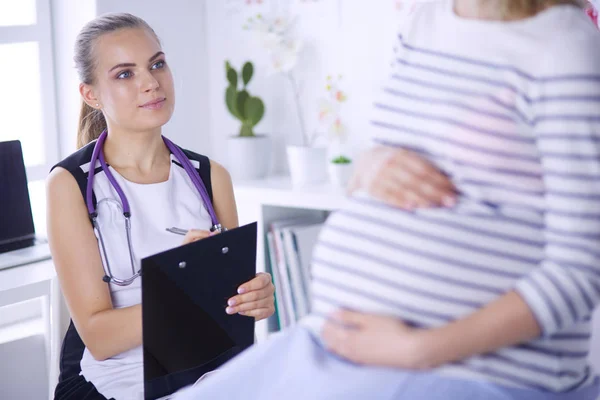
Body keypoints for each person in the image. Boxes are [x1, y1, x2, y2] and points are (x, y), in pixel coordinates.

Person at [174, 0, 600, 399]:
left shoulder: (564, 49)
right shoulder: (424, 20)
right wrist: (371, 164)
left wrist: (419, 349)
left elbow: (580, 270)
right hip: (337, 345)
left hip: (471, 371)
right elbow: (397, 162)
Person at [46, 13, 275, 400]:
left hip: (205, 367)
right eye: (124, 74)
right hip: (115, 377)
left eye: (156, 64)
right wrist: (183, 290)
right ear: (92, 95)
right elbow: (99, 340)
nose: (151, 83)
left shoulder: (209, 176)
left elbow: (229, 311)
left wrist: (256, 299)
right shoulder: (70, 185)